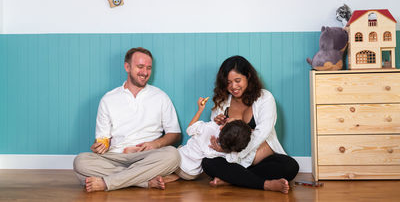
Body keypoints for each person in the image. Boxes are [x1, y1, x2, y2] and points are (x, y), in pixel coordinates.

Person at [73, 47, 182, 192]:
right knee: (80, 162)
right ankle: (143, 181)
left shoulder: (161, 97)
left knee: (173, 155)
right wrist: (98, 146)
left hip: (147, 156)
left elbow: (175, 134)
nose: (145, 72)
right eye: (140, 67)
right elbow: (102, 139)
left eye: (149, 68)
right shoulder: (108, 99)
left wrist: (156, 144)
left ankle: (107, 183)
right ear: (127, 67)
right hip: (115, 157)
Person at [201, 55, 299, 194]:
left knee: (290, 167)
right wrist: (217, 125)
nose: (233, 87)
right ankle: (265, 184)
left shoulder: (265, 98)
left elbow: (262, 132)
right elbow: (216, 135)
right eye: (228, 82)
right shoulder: (222, 102)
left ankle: (232, 179)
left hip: (257, 158)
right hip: (231, 157)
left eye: (237, 80)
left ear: (248, 76)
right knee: (207, 163)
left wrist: (237, 156)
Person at [124, 97, 252, 184]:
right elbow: (234, 158)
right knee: (178, 165)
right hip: (192, 174)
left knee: (167, 153)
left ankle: (139, 157)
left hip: (180, 161)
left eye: (231, 119)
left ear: (222, 126)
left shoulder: (210, 128)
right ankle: (168, 177)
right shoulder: (227, 151)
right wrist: (221, 149)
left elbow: (190, 129)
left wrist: (200, 110)